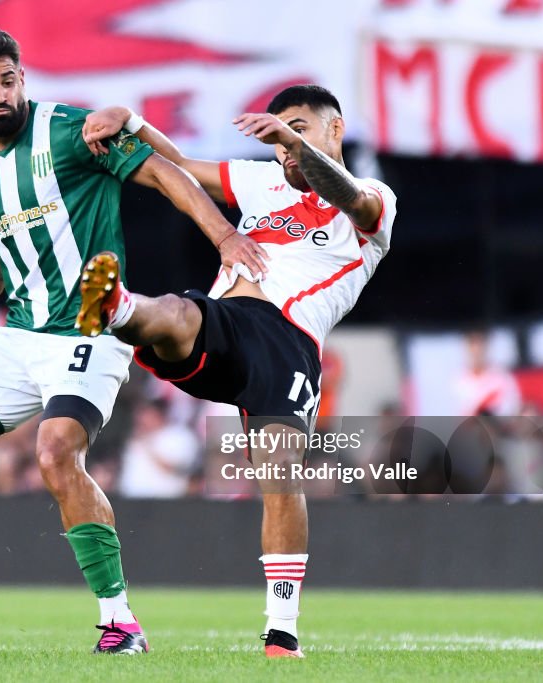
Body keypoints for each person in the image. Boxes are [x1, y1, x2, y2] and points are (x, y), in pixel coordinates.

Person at [0, 27, 266, 655]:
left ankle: (120, 623)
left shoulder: (73, 132)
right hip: (19, 335)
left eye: (9, 79)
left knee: (55, 453)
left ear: (23, 77)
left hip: (92, 328)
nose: (0, 94)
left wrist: (224, 237)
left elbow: (163, 175)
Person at [77, 84, 397, 657]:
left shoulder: (373, 198)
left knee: (278, 472)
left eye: (300, 127)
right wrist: (132, 121)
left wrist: (293, 143)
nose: (285, 147)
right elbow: (177, 168)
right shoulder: (263, 181)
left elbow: (351, 197)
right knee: (176, 312)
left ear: (335, 129)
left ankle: (281, 632)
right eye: (278, 135)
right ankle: (117, 307)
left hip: (288, 340)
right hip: (226, 318)